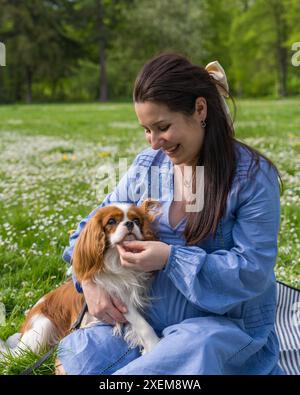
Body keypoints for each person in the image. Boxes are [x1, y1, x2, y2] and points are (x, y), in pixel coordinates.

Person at [56, 52, 284, 375]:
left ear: (200, 109)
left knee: (193, 351)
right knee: (81, 357)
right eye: (146, 130)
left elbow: (252, 271)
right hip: (146, 321)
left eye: (162, 127)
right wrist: (89, 284)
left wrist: (169, 258)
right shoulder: (147, 168)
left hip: (219, 327)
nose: (153, 143)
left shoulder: (251, 178)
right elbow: (89, 228)